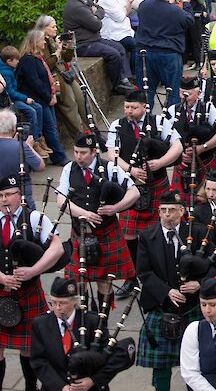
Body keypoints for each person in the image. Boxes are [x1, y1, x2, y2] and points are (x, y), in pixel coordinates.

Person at [136, 190, 209, 391]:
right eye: (163, 211)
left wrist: (200, 284)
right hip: (162, 306)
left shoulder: (198, 233)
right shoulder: (147, 236)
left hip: (192, 309)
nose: (167, 215)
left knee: (193, 362)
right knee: (161, 366)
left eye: (172, 211)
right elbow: (144, 272)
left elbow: (215, 265)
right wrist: (166, 291)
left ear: (182, 212)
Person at [30, 275, 132, 391]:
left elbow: (109, 360)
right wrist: (60, 387)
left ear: (74, 301)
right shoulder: (41, 324)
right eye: (53, 302)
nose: (57, 308)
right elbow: (39, 362)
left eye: (61, 303)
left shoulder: (93, 322)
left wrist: (93, 380)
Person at [106, 89, 183, 300]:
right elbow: (112, 153)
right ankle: (132, 277)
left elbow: (177, 146)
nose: (129, 111)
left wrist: (161, 162)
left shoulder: (159, 121)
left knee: (159, 230)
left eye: (134, 107)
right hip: (131, 186)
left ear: (145, 107)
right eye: (126, 107)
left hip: (157, 183)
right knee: (128, 233)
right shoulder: (117, 126)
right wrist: (130, 170)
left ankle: (158, 274)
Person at [0, 173, 65, 391]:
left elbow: (57, 248)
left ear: (20, 195)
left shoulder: (35, 218)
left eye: (9, 195)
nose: (5, 200)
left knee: (28, 348)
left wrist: (34, 270)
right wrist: (1, 278)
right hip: (0, 290)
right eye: (1, 196)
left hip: (27, 291)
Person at [57, 132, 141, 303]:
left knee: (105, 281)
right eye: (76, 152)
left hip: (106, 232)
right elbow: (60, 200)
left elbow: (134, 192)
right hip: (79, 232)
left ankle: (102, 325)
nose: (78, 157)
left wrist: (115, 208)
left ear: (94, 151)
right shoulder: (68, 169)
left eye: (83, 153)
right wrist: (84, 214)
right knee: (77, 283)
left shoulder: (108, 167)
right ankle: (83, 320)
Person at [62, 0, 131, 96]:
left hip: (94, 39)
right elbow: (97, 25)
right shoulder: (77, 7)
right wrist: (96, 16)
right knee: (113, 54)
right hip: (84, 44)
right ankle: (117, 85)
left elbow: (100, 9)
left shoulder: (84, 1)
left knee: (119, 47)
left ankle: (125, 79)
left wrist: (95, 14)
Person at [135, 0, 195, 110]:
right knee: (173, 91)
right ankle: (171, 122)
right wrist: (186, 4)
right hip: (169, 55)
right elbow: (189, 21)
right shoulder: (176, 11)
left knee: (145, 92)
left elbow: (156, 10)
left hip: (145, 53)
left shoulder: (144, 6)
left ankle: (145, 123)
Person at [16, 29, 69, 166]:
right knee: (50, 127)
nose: (44, 43)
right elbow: (35, 83)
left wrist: (51, 94)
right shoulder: (28, 60)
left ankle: (58, 154)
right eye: (41, 40)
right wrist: (48, 97)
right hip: (38, 99)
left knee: (52, 127)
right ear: (34, 42)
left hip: (44, 97)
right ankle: (59, 156)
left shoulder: (36, 58)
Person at [36, 16, 86, 140]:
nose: (56, 29)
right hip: (55, 80)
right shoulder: (40, 42)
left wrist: (68, 46)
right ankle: (80, 137)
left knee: (82, 99)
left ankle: (92, 129)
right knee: (70, 105)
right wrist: (58, 51)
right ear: (43, 28)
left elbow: (67, 58)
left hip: (65, 75)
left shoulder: (53, 40)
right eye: (52, 27)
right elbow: (47, 65)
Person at [0, 46, 44, 150]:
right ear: (9, 61)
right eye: (16, 60)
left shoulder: (9, 69)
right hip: (11, 101)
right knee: (31, 111)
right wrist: (25, 99)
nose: (18, 62)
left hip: (16, 97)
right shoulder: (5, 72)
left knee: (38, 107)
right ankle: (35, 140)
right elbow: (10, 92)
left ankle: (40, 137)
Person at [0, 109, 45, 206]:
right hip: (20, 201)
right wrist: (29, 146)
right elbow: (40, 166)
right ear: (14, 129)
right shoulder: (21, 147)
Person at [94, 0, 137, 77]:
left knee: (143, 41)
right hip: (113, 33)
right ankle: (134, 74)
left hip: (125, 30)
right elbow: (120, 17)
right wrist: (124, 10)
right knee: (136, 46)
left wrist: (128, 4)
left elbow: (126, 11)